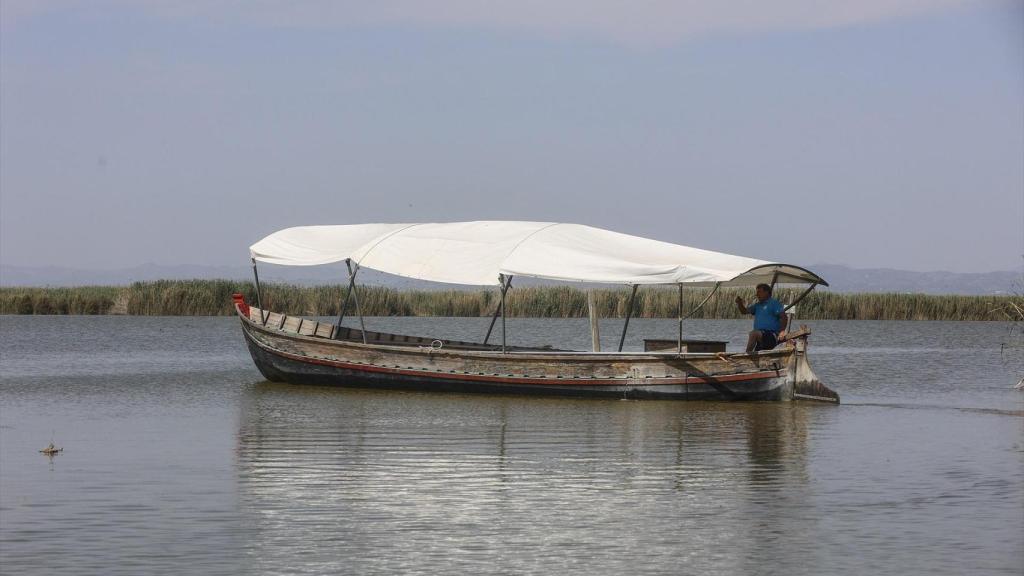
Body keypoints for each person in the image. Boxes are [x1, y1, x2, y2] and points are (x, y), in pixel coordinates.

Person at [735, 283, 787, 353]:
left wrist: (782, 332)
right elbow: (744, 311)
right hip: (761, 338)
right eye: (757, 292)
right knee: (757, 355)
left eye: (759, 292)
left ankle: (746, 356)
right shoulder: (757, 305)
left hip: (771, 336)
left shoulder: (774, 303)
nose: (757, 294)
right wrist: (739, 303)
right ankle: (748, 357)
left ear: (767, 292)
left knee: (753, 334)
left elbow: (784, 317)